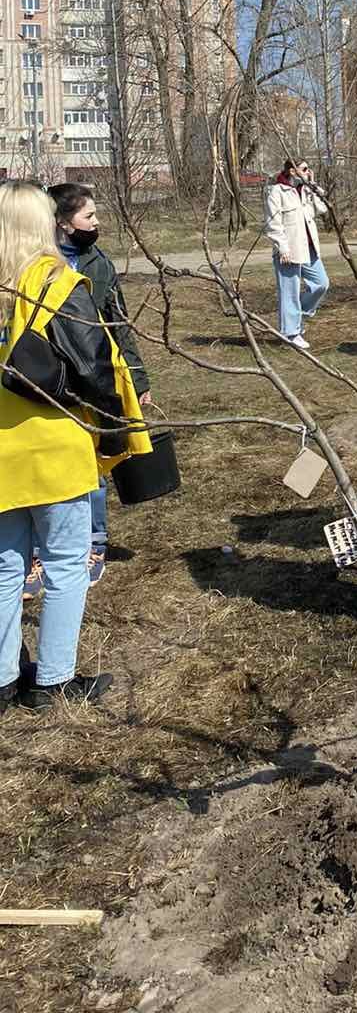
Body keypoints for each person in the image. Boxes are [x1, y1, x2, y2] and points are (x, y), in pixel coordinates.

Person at [0, 181, 147, 714]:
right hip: (54, 446)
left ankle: (3, 680)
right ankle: (54, 680)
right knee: (65, 563)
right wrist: (116, 427)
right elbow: (95, 367)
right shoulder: (58, 282)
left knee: (4, 568)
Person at [41, 184, 151, 590]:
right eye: (89, 217)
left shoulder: (97, 264)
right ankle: (45, 544)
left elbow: (119, 323)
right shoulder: (34, 264)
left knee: (94, 458)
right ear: (62, 224)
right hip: (45, 380)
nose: (97, 223)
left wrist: (138, 379)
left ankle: (93, 540)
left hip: (95, 375)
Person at [263, 159, 328, 351]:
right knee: (289, 291)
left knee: (321, 284)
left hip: (309, 248)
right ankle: (291, 333)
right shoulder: (276, 191)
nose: (309, 172)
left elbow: (322, 209)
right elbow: (272, 223)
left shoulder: (305, 190)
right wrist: (282, 248)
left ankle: (297, 317)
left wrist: (313, 185)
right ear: (292, 171)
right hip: (289, 250)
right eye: (305, 169)